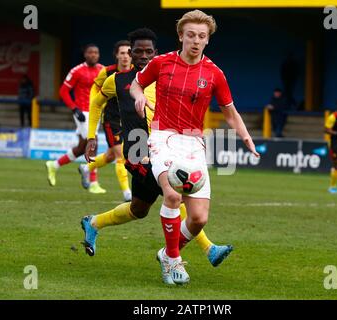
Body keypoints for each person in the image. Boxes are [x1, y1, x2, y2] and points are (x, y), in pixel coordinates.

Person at [81, 28, 233, 284]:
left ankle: (93, 223)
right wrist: (91, 137)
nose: (142, 56)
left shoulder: (165, 75)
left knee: (139, 209)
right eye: (137, 51)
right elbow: (96, 103)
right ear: (130, 52)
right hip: (138, 152)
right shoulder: (118, 81)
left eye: (148, 51)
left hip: (166, 149)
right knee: (176, 193)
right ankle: (202, 250)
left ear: (156, 53)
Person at [130, 10, 259, 285]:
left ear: (208, 40)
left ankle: (167, 253)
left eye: (202, 36)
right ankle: (174, 263)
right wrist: (139, 96)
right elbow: (135, 84)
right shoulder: (162, 63)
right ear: (181, 36)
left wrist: (246, 137)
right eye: (191, 35)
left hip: (194, 142)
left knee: (199, 218)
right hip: (162, 136)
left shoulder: (214, 73)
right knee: (172, 197)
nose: (196, 40)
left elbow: (230, 111)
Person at [45, 44, 106, 194]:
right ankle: (93, 182)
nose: (93, 55)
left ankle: (54, 165)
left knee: (81, 148)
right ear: (85, 54)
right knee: (93, 143)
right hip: (82, 113)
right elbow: (63, 91)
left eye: (96, 52)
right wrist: (74, 108)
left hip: (96, 111)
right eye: (90, 52)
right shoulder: (77, 71)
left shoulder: (103, 70)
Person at [78, 40, 132, 202]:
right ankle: (127, 193)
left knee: (110, 156)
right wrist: (95, 103)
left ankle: (86, 167)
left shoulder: (136, 72)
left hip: (128, 120)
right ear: (116, 55)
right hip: (111, 120)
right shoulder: (107, 72)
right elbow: (95, 88)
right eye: (121, 53)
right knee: (121, 155)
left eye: (128, 53)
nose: (125, 56)